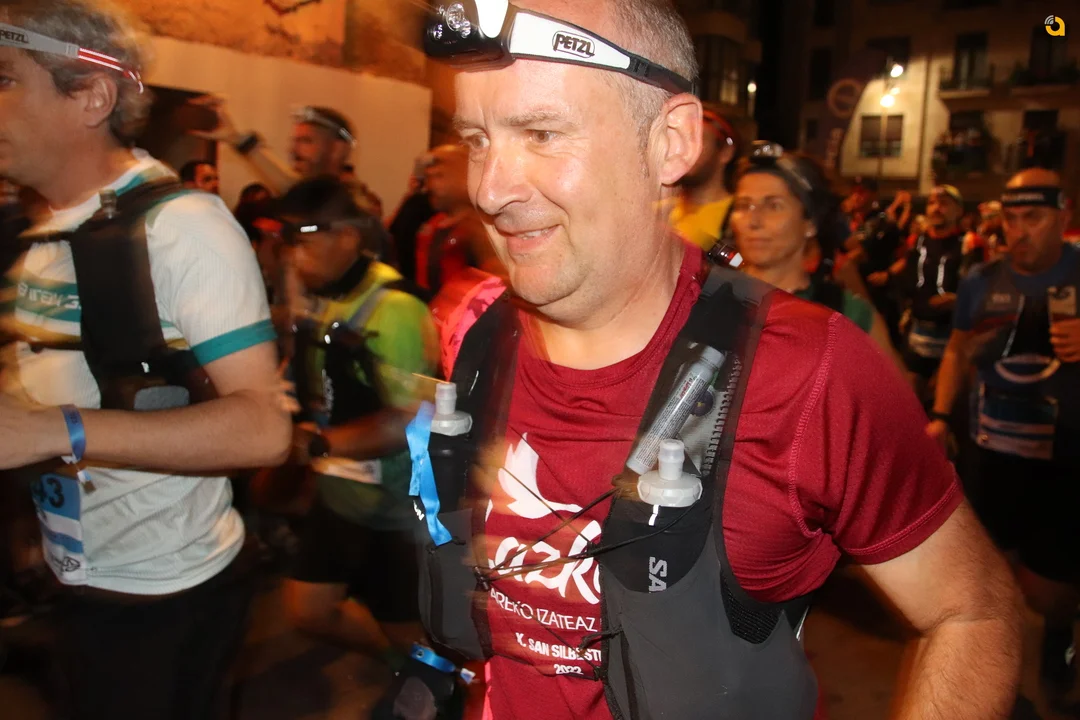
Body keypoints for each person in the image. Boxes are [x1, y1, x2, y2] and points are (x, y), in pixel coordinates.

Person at [392, 1, 1021, 718]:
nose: (490, 189)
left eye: (542, 133)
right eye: (476, 140)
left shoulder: (808, 372)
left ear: (670, 142)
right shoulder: (476, 334)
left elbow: (973, 612)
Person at [0, 1, 291, 717]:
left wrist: (50, 431)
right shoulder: (42, 227)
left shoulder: (180, 226)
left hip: (167, 595)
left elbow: (263, 429)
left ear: (90, 96)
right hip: (77, 573)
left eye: (4, 79)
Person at [267, 177, 438, 676]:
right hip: (340, 495)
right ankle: (405, 672)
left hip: (394, 509)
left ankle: (441, 691)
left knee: (408, 631)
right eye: (287, 238)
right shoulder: (327, 294)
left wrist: (316, 446)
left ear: (346, 236)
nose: (293, 251)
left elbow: (412, 417)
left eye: (303, 237)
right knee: (309, 610)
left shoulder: (395, 308)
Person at [927, 169, 1080, 705]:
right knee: (993, 575)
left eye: (1032, 217)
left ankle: (1059, 637)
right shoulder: (981, 279)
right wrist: (940, 415)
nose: (1018, 231)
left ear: (1063, 216)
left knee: (1051, 592)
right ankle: (1001, 674)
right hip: (991, 455)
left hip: (1064, 459)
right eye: (1011, 218)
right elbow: (957, 349)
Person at [730, 143, 903, 370]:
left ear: (810, 222)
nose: (753, 221)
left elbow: (893, 389)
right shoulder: (705, 298)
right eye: (744, 205)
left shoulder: (845, 313)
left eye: (773, 206)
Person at [192, 98, 384, 220]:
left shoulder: (354, 207)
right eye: (295, 141)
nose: (293, 150)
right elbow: (295, 188)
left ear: (337, 149)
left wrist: (241, 142)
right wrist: (236, 139)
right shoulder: (308, 196)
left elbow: (300, 192)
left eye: (306, 141)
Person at [871, 184, 967, 397]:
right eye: (932, 203)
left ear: (958, 210)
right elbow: (907, 263)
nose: (936, 208)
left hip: (951, 338)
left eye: (944, 203)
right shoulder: (920, 240)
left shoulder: (968, 244)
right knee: (909, 395)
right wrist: (887, 275)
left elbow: (980, 285)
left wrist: (958, 300)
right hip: (918, 334)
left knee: (942, 397)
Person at [414, 144, 502, 298]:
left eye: (439, 176)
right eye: (429, 177)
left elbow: (499, 283)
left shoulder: (478, 227)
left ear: (463, 177)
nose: (431, 186)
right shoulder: (434, 223)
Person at [667, 107, 740, 251]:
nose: (685, 150)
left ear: (726, 152)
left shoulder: (740, 217)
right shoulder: (657, 211)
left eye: (697, 140)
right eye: (681, 141)